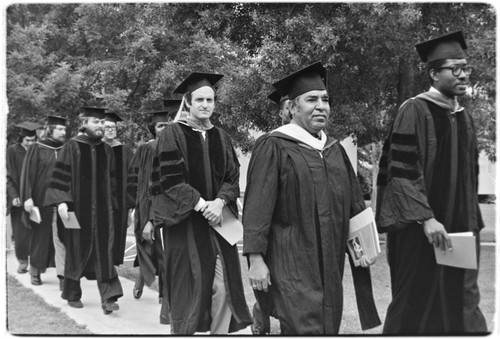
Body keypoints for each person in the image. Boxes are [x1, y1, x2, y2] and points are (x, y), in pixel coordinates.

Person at [242, 61, 380, 335]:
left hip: (330, 262)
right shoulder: (274, 146)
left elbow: (354, 205)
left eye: (325, 100)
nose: (321, 106)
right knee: (305, 327)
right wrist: (256, 259)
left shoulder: (334, 150)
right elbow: (257, 207)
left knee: (328, 324)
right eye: (311, 99)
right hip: (291, 261)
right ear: (292, 108)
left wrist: (365, 247)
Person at [375, 30, 488, 334]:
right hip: (420, 233)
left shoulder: (463, 116)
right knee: (415, 303)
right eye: (456, 69)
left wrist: (472, 223)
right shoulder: (415, 109)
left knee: (460, 305)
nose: (464, 75)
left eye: (467, 69)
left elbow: (469, 177)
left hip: (458, 232)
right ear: (435, 73)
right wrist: (426, 218)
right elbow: (403, 171)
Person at [149, 72, 252, 334]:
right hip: (186, 225)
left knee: (225, 285)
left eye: (210, 99)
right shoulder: (173, 134)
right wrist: (201, 205)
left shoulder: (221, 136)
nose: (205, 104)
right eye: (200, 100)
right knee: (190, 287)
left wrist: (219, 202)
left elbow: (232, 176)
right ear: (188, 103)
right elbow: (170, 179)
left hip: (219, 221)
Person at [45, 106, 123, 314]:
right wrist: (61, 201)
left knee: (104, 252)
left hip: (104, 212)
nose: (100, 126)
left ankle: (109, 297)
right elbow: (60, 176)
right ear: (85, 123)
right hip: (77, 211)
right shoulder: (72, 147)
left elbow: (113, 182)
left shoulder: (107, 150)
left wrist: (115, 207)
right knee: (76, 251)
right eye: (96, 122)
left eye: (102, 123)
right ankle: (72, 293)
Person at [126, 99, 181, 326]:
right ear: (153, 128)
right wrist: (145, 216)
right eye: (160, 126)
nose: (165, 129)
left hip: (175, 212)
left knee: (164, 256)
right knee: (158, 253)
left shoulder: (179, 148)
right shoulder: (147, 149)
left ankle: (144, 278)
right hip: (152, 209)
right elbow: (141, 184)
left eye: (168, 125)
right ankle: (165, 307)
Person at [249, 89, 290, 335]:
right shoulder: (269, 143)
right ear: (282, 111)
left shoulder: (316, 144)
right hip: (274, 233)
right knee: (267, 287)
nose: (290, 111)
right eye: (286, 106)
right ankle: (260, 315)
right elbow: (258, 199)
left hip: (297, 237)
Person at [20, 115, 68, 288]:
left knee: (66, 236)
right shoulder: (37, 148)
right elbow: (27, 174)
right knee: (40, 236)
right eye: (60, 129)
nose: (64, 132)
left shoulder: (67, 149)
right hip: (41, 200)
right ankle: (35, 272)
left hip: (64, 201)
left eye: (64, 129)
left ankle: (64, 275)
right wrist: (28, 197)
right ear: (51, 130)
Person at [7, 121, 41, 274]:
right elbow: (7, 177)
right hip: (19, 198)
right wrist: (13, 195)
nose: (30, 143)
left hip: (36, 197)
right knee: (21, 232)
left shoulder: (38, 150)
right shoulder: (12, 151)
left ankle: (36, 261)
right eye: (28, 141)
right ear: (21, 138)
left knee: (36, 231)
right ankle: (22, 261)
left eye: (33, 140)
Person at [103, 111, 133, 266]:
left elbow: (131, 180)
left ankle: (112, 264)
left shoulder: (125, 151)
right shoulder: (95, 149)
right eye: (107, 127)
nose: (110, 130)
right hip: (100, 203)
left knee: (117, 235)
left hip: (120, 205)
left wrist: (128, 208)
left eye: (113, 127)